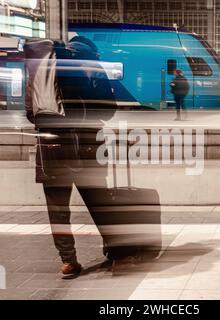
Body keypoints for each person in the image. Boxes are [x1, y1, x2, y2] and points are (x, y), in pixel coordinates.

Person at [24, 37, 117, 277]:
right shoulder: (93, 67)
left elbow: (31, 113)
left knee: (58, 210)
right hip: (86, 147)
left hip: (51, 149)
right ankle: (114, 250)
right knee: (100, 202)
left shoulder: (42, 70)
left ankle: (68, 261)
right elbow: (109, 109)